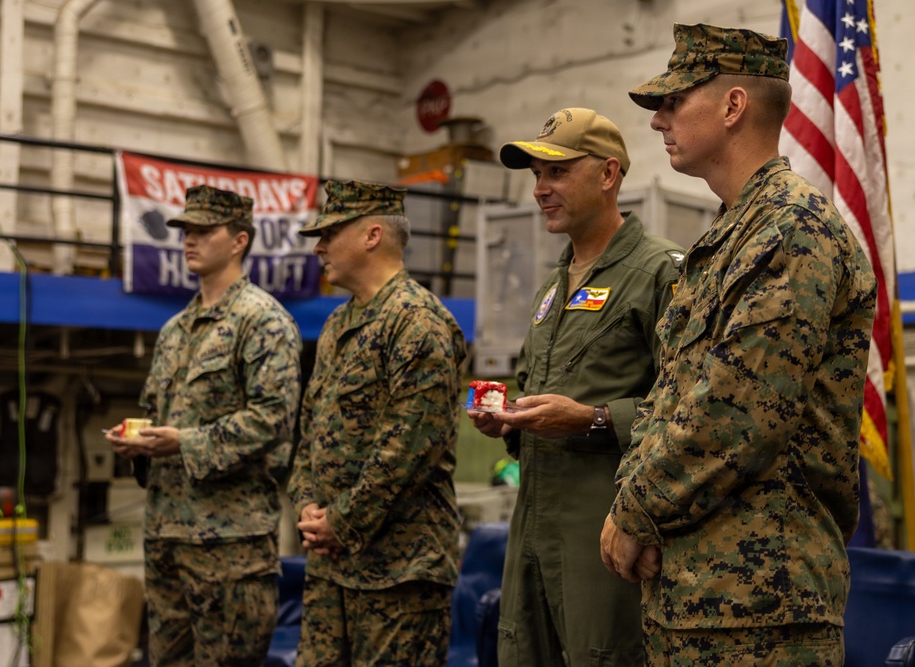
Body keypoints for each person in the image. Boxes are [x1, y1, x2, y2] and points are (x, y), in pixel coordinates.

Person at [600, 23, 878, 666]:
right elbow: (670, 398)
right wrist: (630, 505)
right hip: (695, 599)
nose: (657, 121)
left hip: (762, 611)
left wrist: (635, 511)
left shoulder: (792, 229)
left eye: (674, 102)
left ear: (732, 106)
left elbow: (735, 415)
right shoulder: (728, 239)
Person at [470, 108, 685, 667]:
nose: (541, 189)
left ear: (608, 174)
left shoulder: (659, 272)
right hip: (535, 527)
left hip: (608, 533)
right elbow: (539, 389)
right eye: (536, 175)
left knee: (604, 655)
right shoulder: (553, 286)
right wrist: (509, 419)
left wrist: (591, 420)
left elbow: (692, 411)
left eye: (557, 172)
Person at [108, 184, 302, 667]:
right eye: (186, 231)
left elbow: (271, 420)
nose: (189, 240)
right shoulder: (174, 329)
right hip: (168, 533)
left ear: (239, 240)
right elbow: (160, 412)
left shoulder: (263, 321)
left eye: (204, 230)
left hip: (230, 544)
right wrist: (138, 439)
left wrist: (182, 443)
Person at [288, 179, 467, 666]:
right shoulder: (336, 325)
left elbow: (407, 452)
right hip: (331, 564)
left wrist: (341, 521)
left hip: (399, 571)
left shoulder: (418, 322)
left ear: (372, 235)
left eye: (330, 233)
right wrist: (308, 506)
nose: (320, 247)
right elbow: (309, 433)